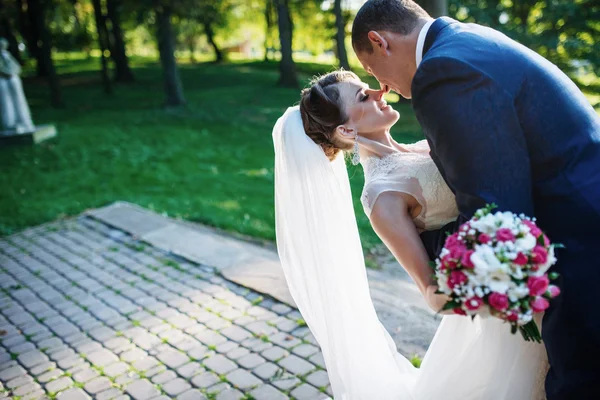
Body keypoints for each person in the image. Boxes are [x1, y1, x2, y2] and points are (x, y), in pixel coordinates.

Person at [350, 1, 600, 398]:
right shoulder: (468, 39)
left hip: (579, 244)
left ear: (379, 42)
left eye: (371, 72)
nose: (382, 87)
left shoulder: (441, 71)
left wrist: (465, 260)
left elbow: (494, 207)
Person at [273, 70, 547, 400]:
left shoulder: (419, 146)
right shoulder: (382, 196)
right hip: (510, 297)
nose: (378, 92)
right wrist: (497, 279)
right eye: (363, 96)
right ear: (346, 129)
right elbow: (431, 291)